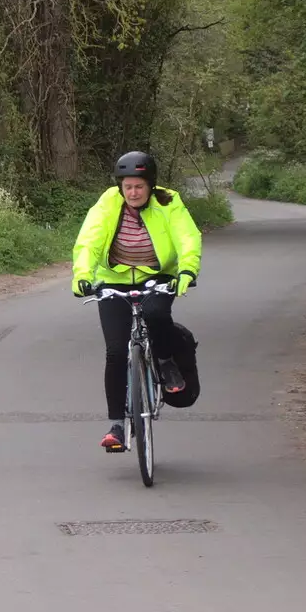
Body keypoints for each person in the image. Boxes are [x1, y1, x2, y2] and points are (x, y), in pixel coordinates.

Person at [72, 151, 202, 453]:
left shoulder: (169, 201)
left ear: (150, 185)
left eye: (139, 187)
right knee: (116, 351)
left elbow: (187, 237)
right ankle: (117, 425)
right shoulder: (108, 202)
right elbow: (88, 240)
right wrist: (82, 274)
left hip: (157, 277)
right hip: (113, 280)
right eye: (127, 186)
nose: (132, 192)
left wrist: (186, 270)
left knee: (156, 314)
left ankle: (167, 362)